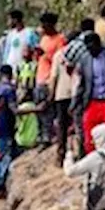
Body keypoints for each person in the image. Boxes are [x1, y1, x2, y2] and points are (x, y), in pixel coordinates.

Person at [75, 32, 105, 154]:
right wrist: (75, 102)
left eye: (92, 47)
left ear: (98, 44)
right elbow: (82, 84)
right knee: (89, 135)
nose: (90, 51)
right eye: (87, 48)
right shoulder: (85, 59)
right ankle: (92, 160)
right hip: (92, 101)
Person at [51, 30, 83, 165]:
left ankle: (61, 154)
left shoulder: (59, 55)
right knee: (78, 124)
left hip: (61, 94)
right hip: (76, 93)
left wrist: (51, 95)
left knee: (62, 126)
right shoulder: (81, 54)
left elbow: (53, 77)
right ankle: (81, 152)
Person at [36, 13, 66, 145]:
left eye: (45, 24)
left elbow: (59, 59)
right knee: (39, 109)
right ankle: (42, 136)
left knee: (48, 110)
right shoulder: (43, 39)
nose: (42, 27)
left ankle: (49, 137)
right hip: (40, 78)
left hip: (50, 79)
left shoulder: (60, 39)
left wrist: (46, 55)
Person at [0, 65, 19, 196]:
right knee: (5, 157)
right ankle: (0, 186)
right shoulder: (9, 90)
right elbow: (14, 110)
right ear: (11, 75)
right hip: (6, 127)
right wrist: (36, 109)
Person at [0, 9, 32, 73]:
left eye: (9, 19)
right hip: (9, 69)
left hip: (22, 70)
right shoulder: (10, 34)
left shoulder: (29, 33)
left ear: (15, 20)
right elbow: (6, 52)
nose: (8, 22)